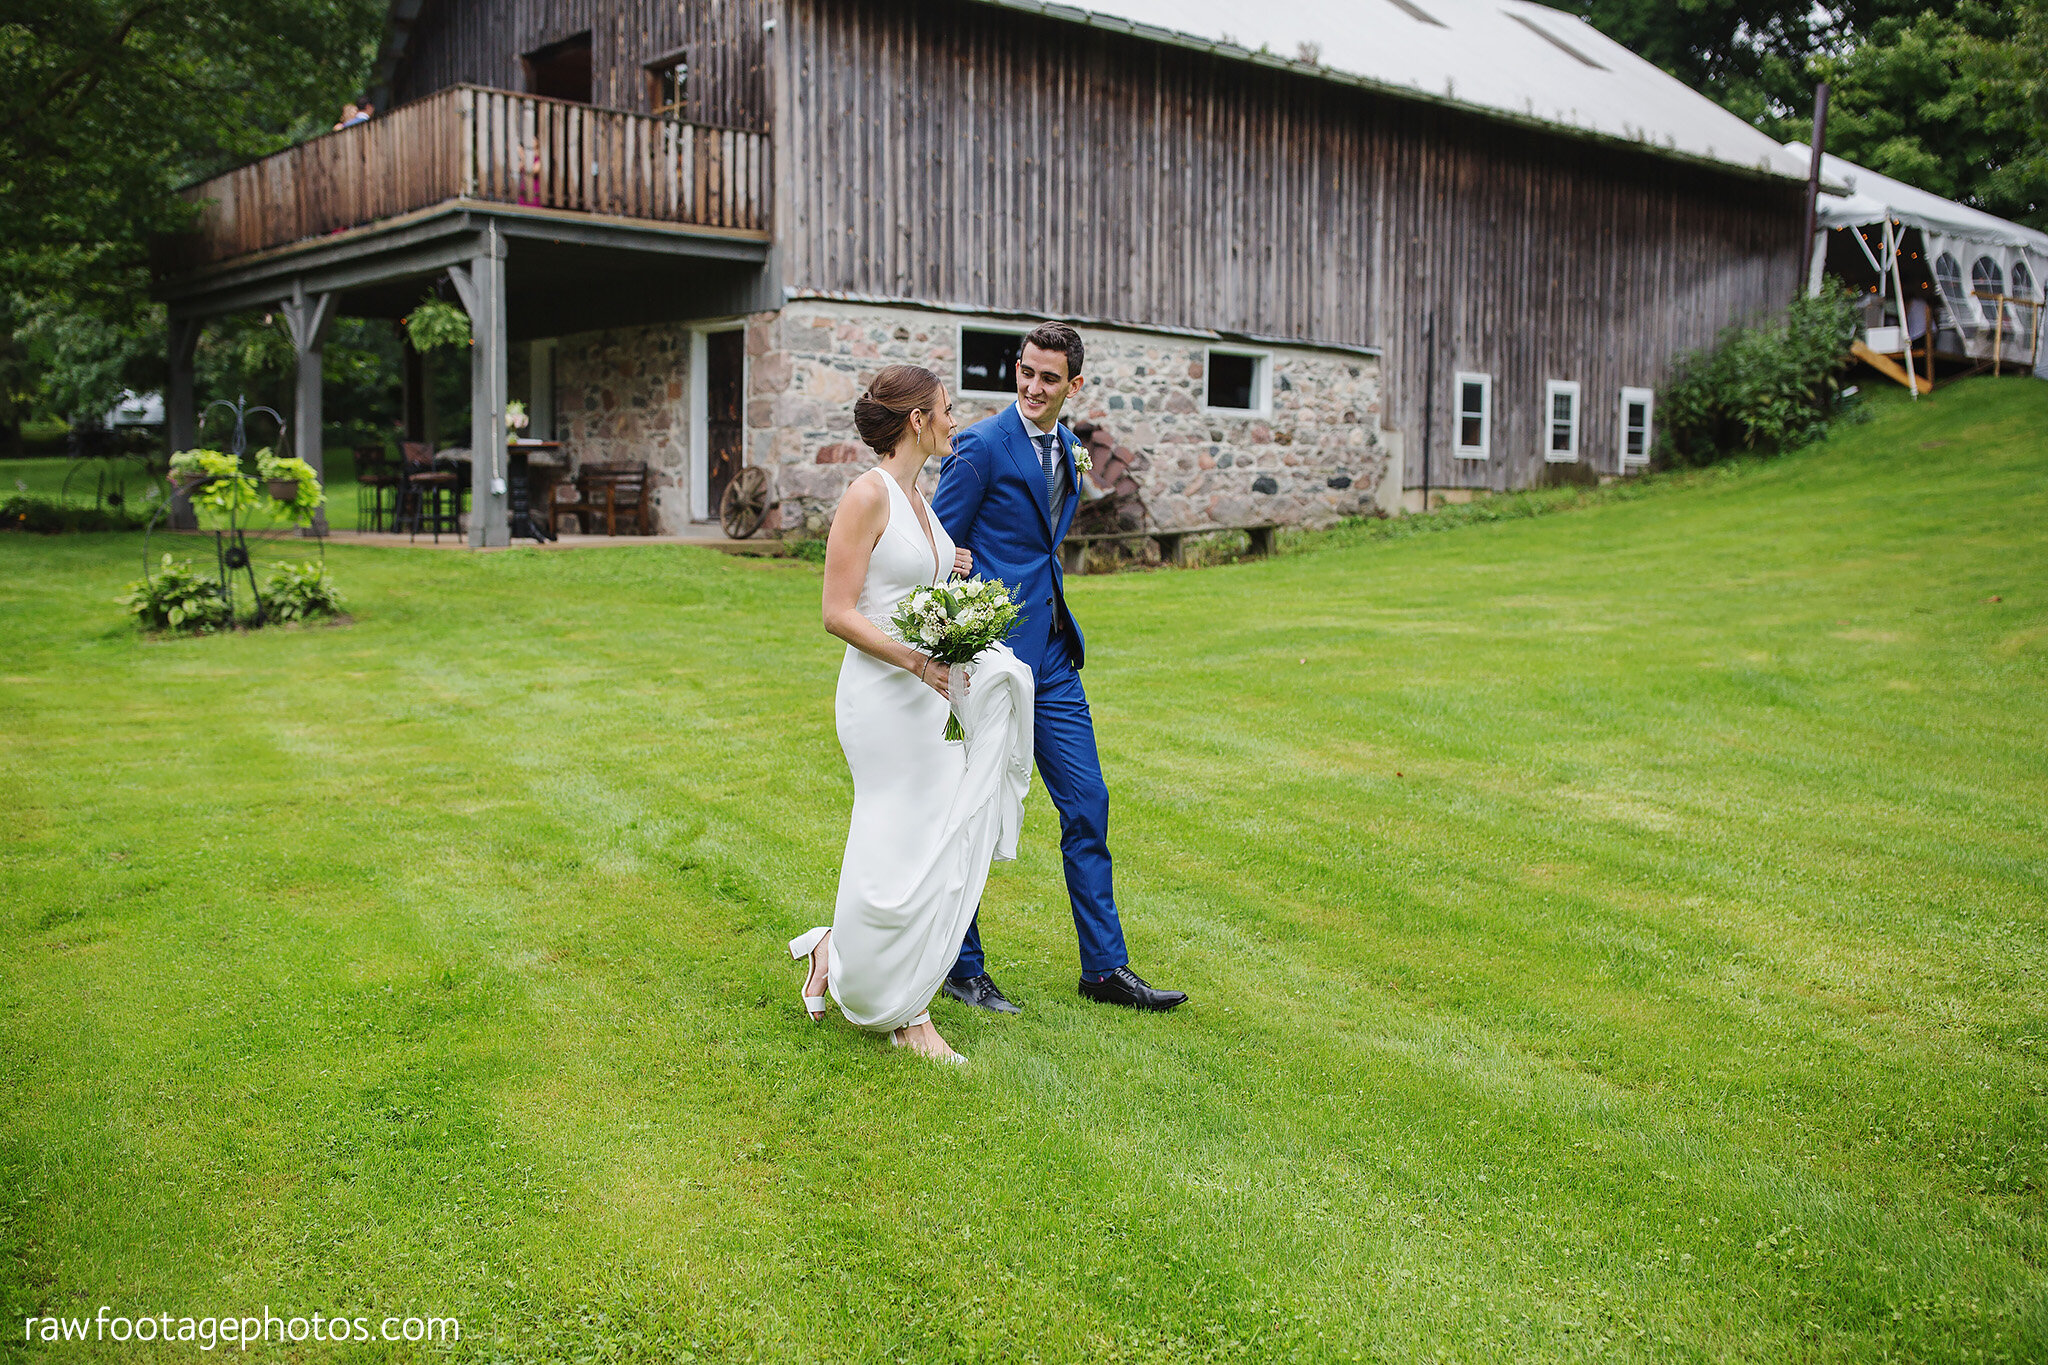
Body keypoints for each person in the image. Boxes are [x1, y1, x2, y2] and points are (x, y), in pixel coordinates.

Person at [930, 322, 1188, 1013]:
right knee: (977, 809)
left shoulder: (1073, 452)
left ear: (1075, 384)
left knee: (1088, 803)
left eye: (1049, 378)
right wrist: (954, 620)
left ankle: (1103, 969)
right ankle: (963, 964)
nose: (1033, 387)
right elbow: (930, 544)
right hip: (988, 660)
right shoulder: (981, 446)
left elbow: (1046, 548)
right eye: (1025, 371)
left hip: (1052, 657)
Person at [787, 365, 1037, 1064]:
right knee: (892, 842)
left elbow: (906, 584)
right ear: (917, 421)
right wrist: (915, 662)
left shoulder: (916, 498)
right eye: (947, 409)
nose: (956, 420)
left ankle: (837, 950)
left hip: (929, 697)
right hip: (885, 698)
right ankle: (907, 1014)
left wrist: (949, 575)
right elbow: (837, 612)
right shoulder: (867, 494)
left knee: (929, 843)